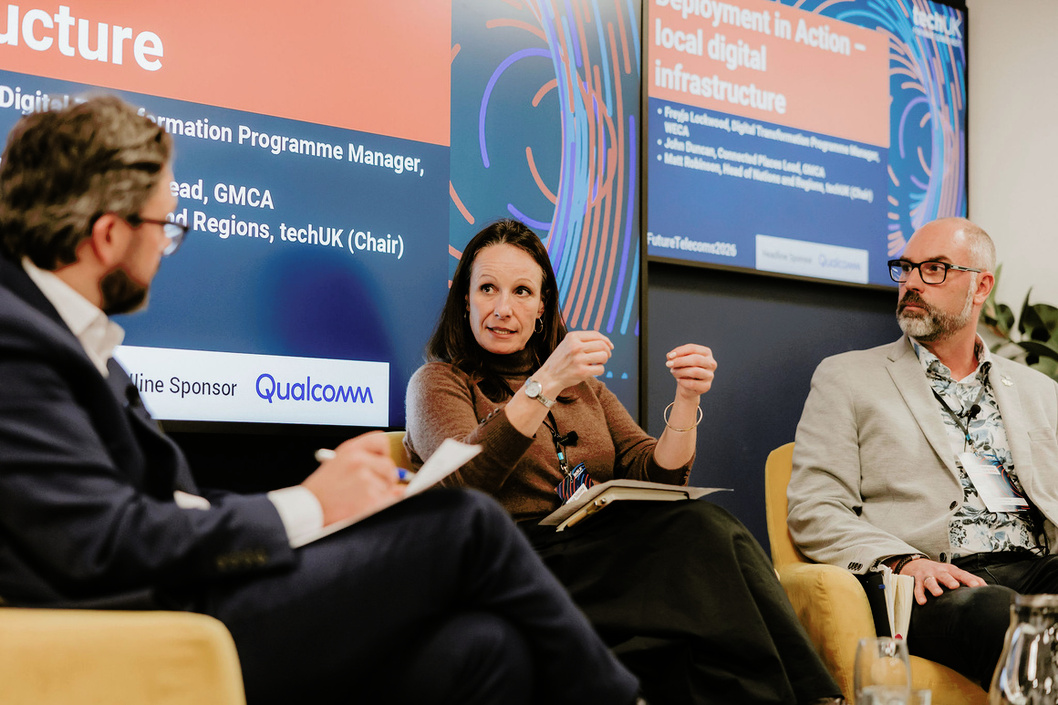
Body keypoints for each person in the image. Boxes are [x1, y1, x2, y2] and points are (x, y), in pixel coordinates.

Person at [0, 95, 644, 705]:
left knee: (485, 649)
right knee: (469, 525)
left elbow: (153, 505)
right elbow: (104, 540)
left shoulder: (70, 339)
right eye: (165, 228)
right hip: (157, 623)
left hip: (189, 588)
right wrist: (310, 504)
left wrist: (333, 507)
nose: (166, 249)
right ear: (108, 236)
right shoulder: (17, 345)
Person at [404, 218, 844, 705]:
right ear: (465, 298)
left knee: (708, 535)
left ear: (542, 305)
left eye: (522, 291)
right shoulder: (438, 382)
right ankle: (816, 697)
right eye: (487, 288)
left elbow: (656, 474)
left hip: (598, 552)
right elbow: (462, 483)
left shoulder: (585, 388)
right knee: (702, 535)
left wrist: (687, 399)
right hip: (518, 560)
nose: (503, 308)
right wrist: (545, 382)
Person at [788, 216, 1058, 690]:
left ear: (981, 287)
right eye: (907, 267)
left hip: (1034, 565)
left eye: (934, 269)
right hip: (933, 580)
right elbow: (815, 508)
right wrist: (902, 562)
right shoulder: (847, 377)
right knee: (1006, 616)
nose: (911, 282)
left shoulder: (1038, 389)